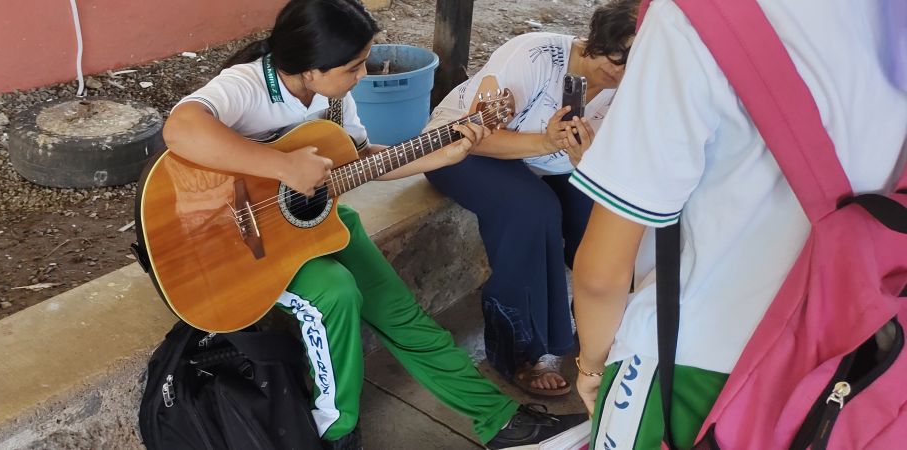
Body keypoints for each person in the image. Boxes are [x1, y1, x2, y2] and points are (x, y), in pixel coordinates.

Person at [162, 1, 578, 449]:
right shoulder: (247, 84)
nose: (364, 75)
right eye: (354, 66)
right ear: (310, 68)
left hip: (317, 223)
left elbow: (360, 163)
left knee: (402, 315)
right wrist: (281, 167)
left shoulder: (333, 98)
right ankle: (335, 433)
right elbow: (180, 129)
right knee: (336, 292)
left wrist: (444, 153)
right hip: (232, 245)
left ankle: (499, 420)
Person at [568, 0, 907, 447]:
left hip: (689, 365)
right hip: (851, 363)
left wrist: (592, 365)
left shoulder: (690, 16)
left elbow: (601, 273)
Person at [423, 0, 639, 397]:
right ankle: (520, 350)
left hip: (548, 166)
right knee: (531, 209)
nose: (621, 70)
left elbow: (613, 165)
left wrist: (586, 162)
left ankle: (604, 330)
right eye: (617, 54)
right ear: (598, 38)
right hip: (458, 150)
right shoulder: (536, 55)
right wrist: (545, 141)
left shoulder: (632, 90)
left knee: (599, 216)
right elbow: (476, 134)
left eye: (635, 63)